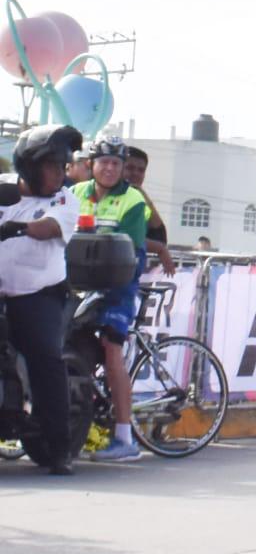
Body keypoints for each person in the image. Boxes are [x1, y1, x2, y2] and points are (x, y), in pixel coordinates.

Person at [71, 138, 167, 462]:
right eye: (104, 162)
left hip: (117, 285)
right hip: (77, 284)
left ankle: (125, 438)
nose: (110, 168)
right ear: (92, 165)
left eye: (116, 163)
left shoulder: (132, 199)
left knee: (113, 350)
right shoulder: (75, 194)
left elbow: (133, 256)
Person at [0, 124, 84, 474]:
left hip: (37, 296)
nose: (60, 174)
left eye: (64, 166)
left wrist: (15, 228)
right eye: (53, 165)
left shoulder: (64, 199)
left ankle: (58, 447)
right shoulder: (3, 191)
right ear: (31, 166)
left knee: (45, 360)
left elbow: (49, 227)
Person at [123, 147, 178, 276]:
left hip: (129, 273)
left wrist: (141, 193)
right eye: (130, 168)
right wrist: (159, 249)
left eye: (141, 170)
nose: (135, 173)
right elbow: (123, 236)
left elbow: (159, 236)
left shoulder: (137, 198)